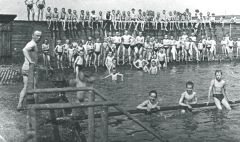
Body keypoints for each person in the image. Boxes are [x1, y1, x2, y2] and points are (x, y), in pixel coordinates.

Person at [17, 31, 42, 110]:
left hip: (25, 67)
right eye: (37, 36)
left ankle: (19, 104)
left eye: (40, 36)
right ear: (32, 36)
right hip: (30, 68)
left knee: (25, 86)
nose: (39, 37)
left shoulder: (31, 43)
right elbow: (24, 50)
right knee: (35, 87)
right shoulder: (32, 44)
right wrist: (31, 61)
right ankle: (36, 105)